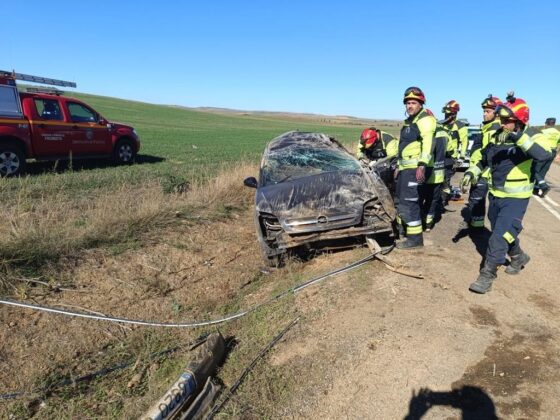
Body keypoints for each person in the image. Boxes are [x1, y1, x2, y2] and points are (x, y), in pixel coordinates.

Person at [463, 95, 552, 293]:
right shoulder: (497, 135)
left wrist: (517, 137)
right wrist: (471, 172)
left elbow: (544, 155)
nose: (502, 125)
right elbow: (484, 159)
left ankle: (487, 275)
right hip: (495, 196)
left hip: (516, 199)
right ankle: (519, 256)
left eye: (507, 121)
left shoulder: (533, 136)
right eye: (501, 120)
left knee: (497, 236)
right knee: (504, 232)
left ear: (520, 121)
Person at [395, 87, 436, 249]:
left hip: (415, 169)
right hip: (405, 169)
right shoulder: (409, 122)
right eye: (408, 103)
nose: (410, 106)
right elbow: (403, 146)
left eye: (413, 103)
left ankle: (415, 239)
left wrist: (422, 164)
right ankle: (402, 230)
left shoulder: (425, 120)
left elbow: (428, 143)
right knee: (400, 200)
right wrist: (398, 165)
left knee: (410, 201)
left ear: (421, 104)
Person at [459, 95, 502, 231]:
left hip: (484, 172)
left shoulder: (494, 129)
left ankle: (477, 229)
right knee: (477, 200)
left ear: (497, 113)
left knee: (476, 201)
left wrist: (479, 171)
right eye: (484, 111)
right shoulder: (488, 127)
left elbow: (490, 155)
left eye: (488, 111)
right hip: (478, 170)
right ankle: (476, 225)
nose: (484, 114)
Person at [420, 115, 449, 231]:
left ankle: (420, 222)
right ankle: (428, 224)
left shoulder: (426, 132)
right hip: (438, 174)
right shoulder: (445, 133)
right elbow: (450, 149)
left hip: (425, 172)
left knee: (419, 199)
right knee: (432, 201)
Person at [440, 100, 467, 207]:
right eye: (445, 113)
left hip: (451, 157)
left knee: (445, 179)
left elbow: (464, 142)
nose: (447, 116)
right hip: (440, 156)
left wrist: (462, 157)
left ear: (454, 114)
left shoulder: (460, 126)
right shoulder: (442, 124)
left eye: (449, 114)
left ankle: (442, 201)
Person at [530, 117, 560, 196]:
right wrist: (558, 153)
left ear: (546, 124)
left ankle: (543, 186)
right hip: (552, 152)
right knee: (543, 171)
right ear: (553, 124)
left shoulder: (542, 132)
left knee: (534, 169)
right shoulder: (558, 133)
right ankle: (536, 189)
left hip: (542, 151)